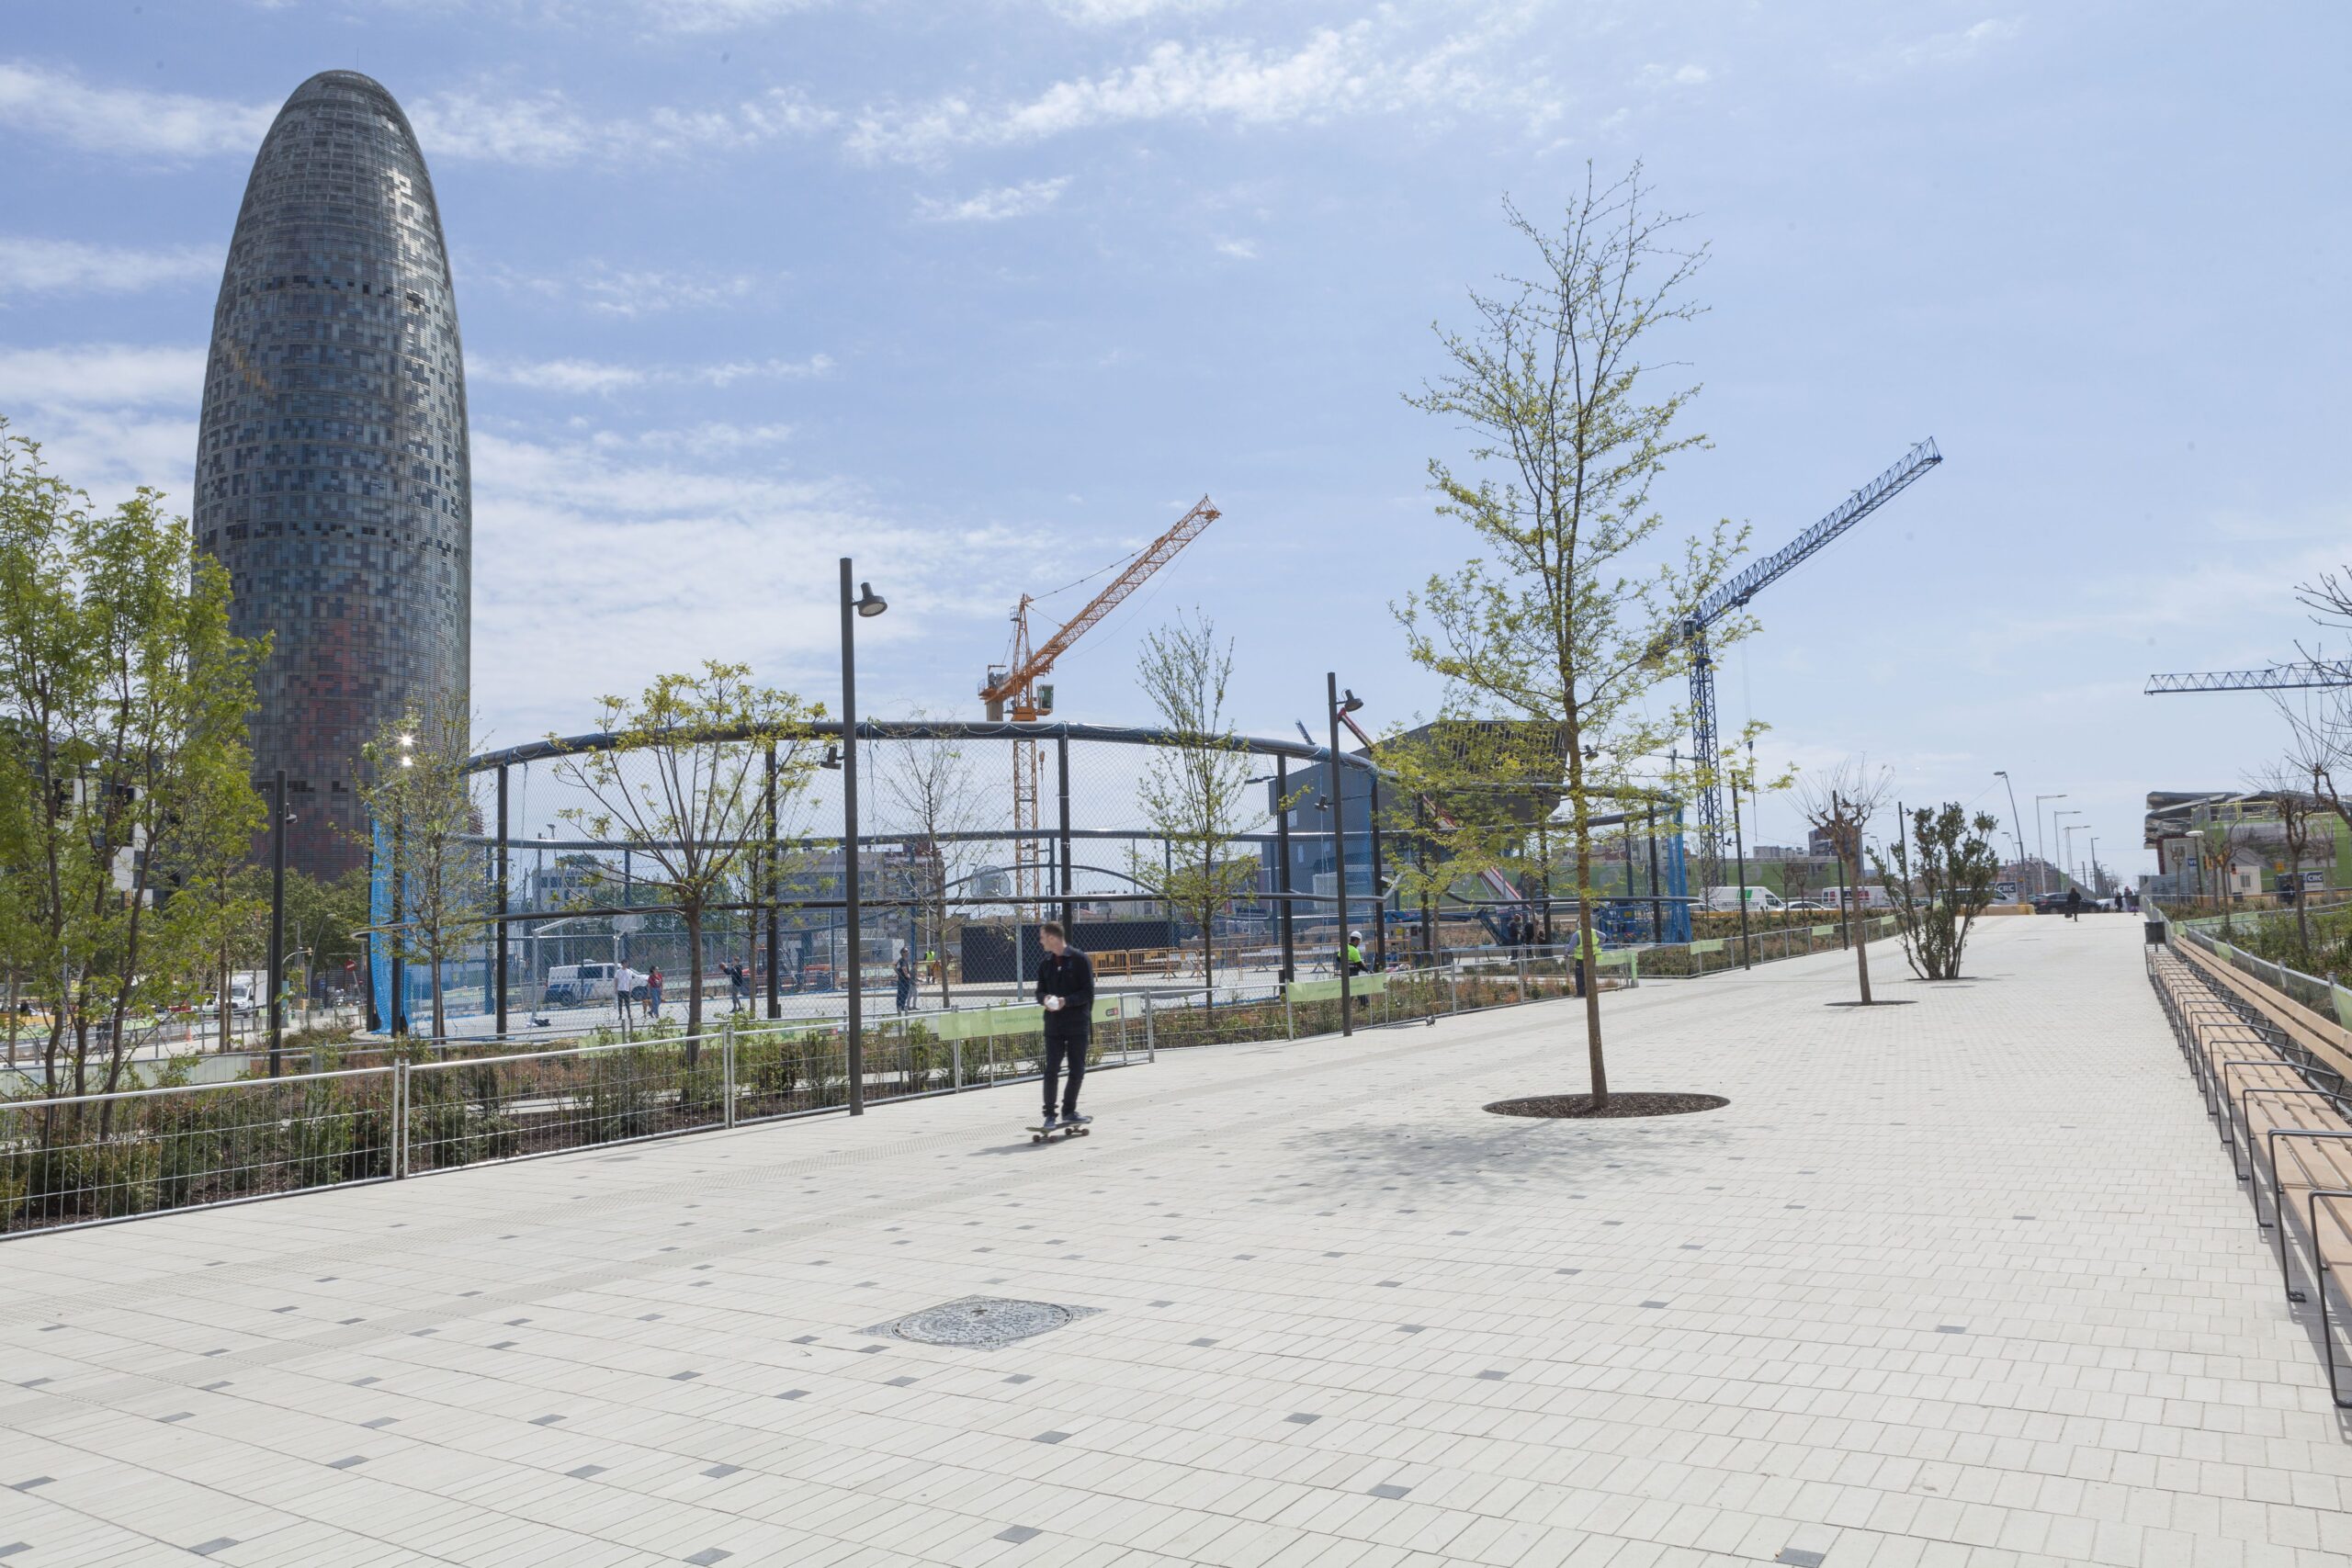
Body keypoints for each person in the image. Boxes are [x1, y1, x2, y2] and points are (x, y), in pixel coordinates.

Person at [1035, 921, 1094, 1130]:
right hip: (1054, 1026)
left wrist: (1065, 1001)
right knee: (1051, 1069)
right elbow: (1039, 991)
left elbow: (1087, 992)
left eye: (1043, 937)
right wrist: (1045, 999)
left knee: (1077, 1068)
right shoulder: (1046, 964)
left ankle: (1069, 1111)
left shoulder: (1080, 960)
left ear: (1052, 938)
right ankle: (1049, 1114)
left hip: (1077, 1024)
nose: (1040, 941)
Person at [894, 948, 915, 1013]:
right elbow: (904, 968)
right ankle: (902, 1007)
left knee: (900, 994)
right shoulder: (903, 960)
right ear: (903, 953)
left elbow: (894, 968)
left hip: (900, 980)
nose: (908, 952)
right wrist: (907, 975)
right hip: (904, 980)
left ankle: (899, 1007)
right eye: (906, 951)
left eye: (907, 951)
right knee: (904, 994)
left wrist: (899, 974)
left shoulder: (900, 960)